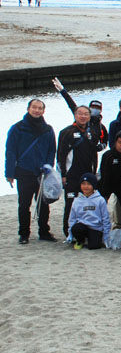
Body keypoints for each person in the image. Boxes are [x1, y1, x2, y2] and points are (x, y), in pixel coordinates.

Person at [6, 99, 57, 244]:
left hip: (42, 173)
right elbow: (10, 152)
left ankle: (44, 232)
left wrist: (48, 167)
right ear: (28, 109)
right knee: (24, 205)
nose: (37, 110)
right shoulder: (17, 128)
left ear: (43, 111)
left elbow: (51, 150)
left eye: (40, 108)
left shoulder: (48, 129)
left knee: (43, 204)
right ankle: (24, 234)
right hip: (24, 172)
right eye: (34, 107)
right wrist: (9, 173)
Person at [57, 104, 100, 237]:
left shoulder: (92, 132)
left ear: (89, 116)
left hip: (87, 174)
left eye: (86, 114)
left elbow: (94, 154)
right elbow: (61, 155)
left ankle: (84, 232)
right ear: (75, 115)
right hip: (72, 175)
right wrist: (63, 174)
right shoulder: (66, 132)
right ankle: (68, 232)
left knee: (87, 204)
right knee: (70, 204)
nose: (83, 116)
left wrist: (94, 172)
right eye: (80, 114)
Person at [67, 173, 112, 250]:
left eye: (88, 184)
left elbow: (105, 218)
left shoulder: (100, 200)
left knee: (94, 246)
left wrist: (106, 236)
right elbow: (72, 218)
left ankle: (92, 239)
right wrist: (70, 235)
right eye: (83, 184)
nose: (86, 187)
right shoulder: (77, 200)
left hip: (95, 228)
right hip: (82, 226)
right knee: (76, 228)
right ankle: (80, 240)